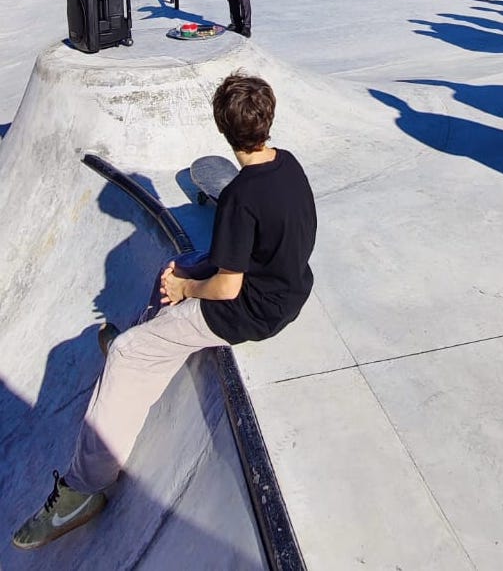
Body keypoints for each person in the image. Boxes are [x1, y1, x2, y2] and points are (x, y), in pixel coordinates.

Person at [13, 73, 317, 551]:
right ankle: (149, 338)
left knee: (133, 350)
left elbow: (225, 286)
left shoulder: (240, 197)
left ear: (222, 129)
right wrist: (184, 276)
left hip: (248, 309)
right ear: (269, 118)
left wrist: (186, 286)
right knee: (178, 263)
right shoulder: (289, 165)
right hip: (286, 284)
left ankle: (82, 488)